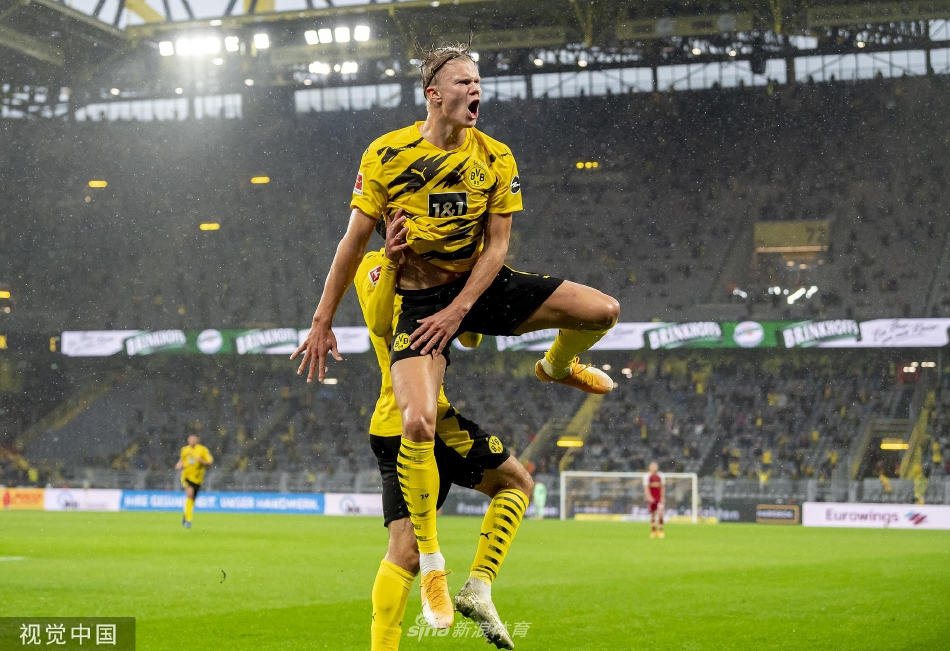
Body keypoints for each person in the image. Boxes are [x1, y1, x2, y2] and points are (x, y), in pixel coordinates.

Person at [292, 40, 619, 629]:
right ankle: (435, 569)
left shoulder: (495, 156)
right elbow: (353, 242)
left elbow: (498, 247)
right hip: (422, 300)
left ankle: (556, 365)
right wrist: (322, 320)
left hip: (479, 286)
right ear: (433, 94)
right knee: (418, 421)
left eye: (478, 81)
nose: (475, 88)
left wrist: (462, 311)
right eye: (464, 81)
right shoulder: (387, 154)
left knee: (602, 311)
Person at [359, 212, 532, 649]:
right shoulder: (382, 267)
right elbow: (386, 324)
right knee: (515, 484)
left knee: (404, 553)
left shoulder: (395, 269)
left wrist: (468, 274)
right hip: (418, 421)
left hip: (401, 421)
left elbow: (469, 337)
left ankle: (471, 592)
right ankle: (477, 585)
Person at [175, 434, 213, 529]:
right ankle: (188, 520)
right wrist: (179, 465)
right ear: (188, 441)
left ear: (197, 440)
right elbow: (182, 460)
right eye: (190, 439)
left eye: (194, 439)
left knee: (191, 500)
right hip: (186, 476)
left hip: (198, 479)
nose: (192, 441)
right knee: (190, 494)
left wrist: (202, 461)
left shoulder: (203, 450)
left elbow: (210, 462)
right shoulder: (184, 450)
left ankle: (186, 515)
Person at [643, 462, 665, 538]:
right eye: (652, 466)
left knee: (660, 513)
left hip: (659, 498)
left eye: (655, 466)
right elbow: (646, 487)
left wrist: (662, 497)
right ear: (649, 467)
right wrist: (649, 497)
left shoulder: (661, 476)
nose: (654, 468)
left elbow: (662, 487)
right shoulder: (647, 476)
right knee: (652, 514)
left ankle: (661, 531)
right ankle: (653, 531)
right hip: (651, 498)